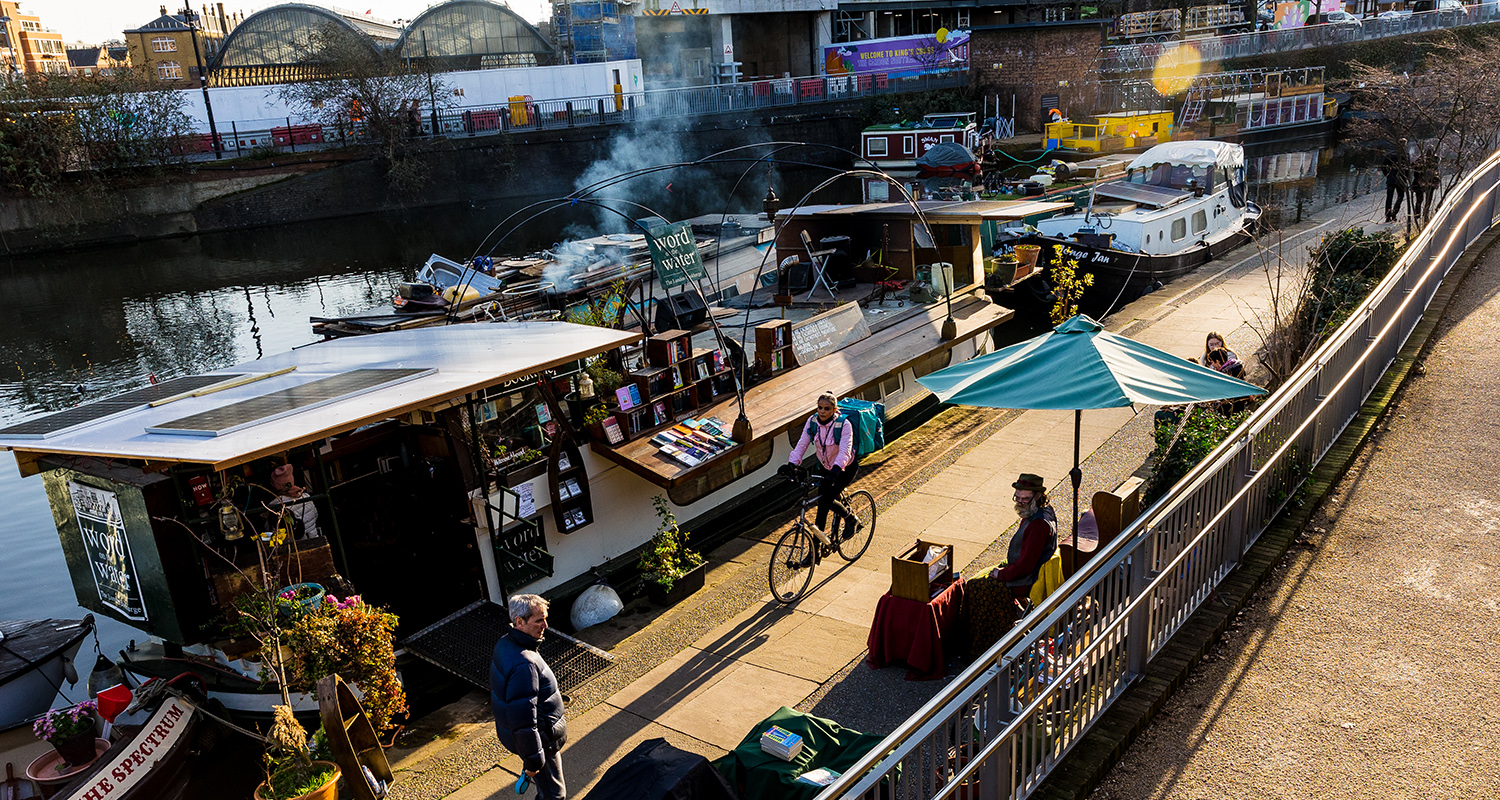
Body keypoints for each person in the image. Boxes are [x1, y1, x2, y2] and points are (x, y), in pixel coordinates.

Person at [491, 594, 567, 800]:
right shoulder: (525, 663)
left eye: (545, 618)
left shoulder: (506, 643)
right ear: (519, 622)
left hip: (535, 739)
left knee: (548, 792)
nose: (545, 625)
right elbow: (524, 720)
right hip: (540, 742)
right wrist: (534, 761)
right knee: (555, 795)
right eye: (539, 620)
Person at [781, 392, 859, 541]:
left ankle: (851, 519)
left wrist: (835, 472)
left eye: (827, 408)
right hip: (825, 467)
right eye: (820, 408)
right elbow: (801, 444)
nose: (822, 411)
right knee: (821, 508)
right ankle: (815, 550)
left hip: (844, 468)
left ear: (835, 410)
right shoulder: (812, 422)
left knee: (825, 500)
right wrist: (792, 464)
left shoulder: (844, 425)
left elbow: (845, 451)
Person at [988, 474, 1059, 599]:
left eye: (1025, 499)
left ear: (1037, 496)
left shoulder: (1038, 525)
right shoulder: (1044, 509)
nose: (1020, 503)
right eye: (1017, 498)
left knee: (976, 588)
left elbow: (1025, 566)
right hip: (1029, 570)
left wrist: (1001, 574)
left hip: (1028, 580)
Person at [1383, 139, 1411, 223]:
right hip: (1401, 178)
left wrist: (1387, 174)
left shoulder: (1391, 154)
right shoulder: (1406, 155)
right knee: (1400, 196)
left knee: (1389, 197)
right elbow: (1407, 169)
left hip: (1391, 178)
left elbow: (1383, 166)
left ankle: (1387, 216)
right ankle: (1395, 212)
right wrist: (1407, 179)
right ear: (1405, 145)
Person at [1411, 146, 1440, 222]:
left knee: (1419, 200)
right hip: (1431, 183)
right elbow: (1436, 172)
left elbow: (1413, 168)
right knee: (1428, 200)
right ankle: (1425, 214)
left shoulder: (1420, 160)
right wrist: (1437, 182)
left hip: (1420, 183)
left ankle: (1417, 215)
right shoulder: (1435, 160)